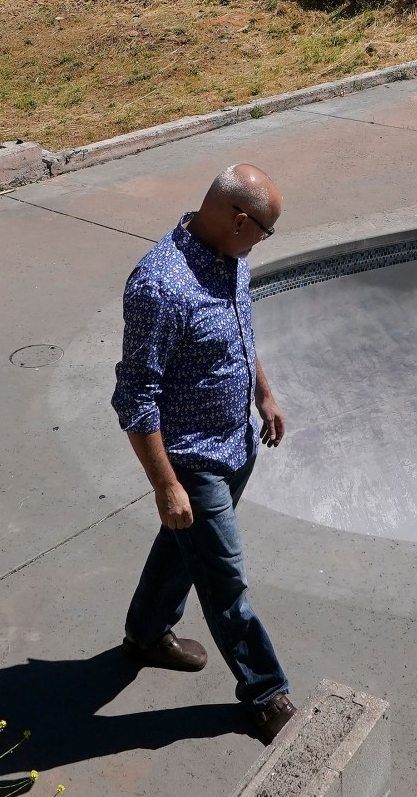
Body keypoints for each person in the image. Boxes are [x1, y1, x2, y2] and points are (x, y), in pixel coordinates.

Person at [111, 163, 297, 742]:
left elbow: (239, 335)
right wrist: (166, 483)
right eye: (265, 231)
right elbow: (134, 397)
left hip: (236, 440)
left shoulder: (230, 258)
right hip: (193, 461)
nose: (263, 243)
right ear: (240, 219)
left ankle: (146, 634)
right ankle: (266, 694)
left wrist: (263, 393)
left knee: (180, 547)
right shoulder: (160, 285)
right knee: (224, 581)